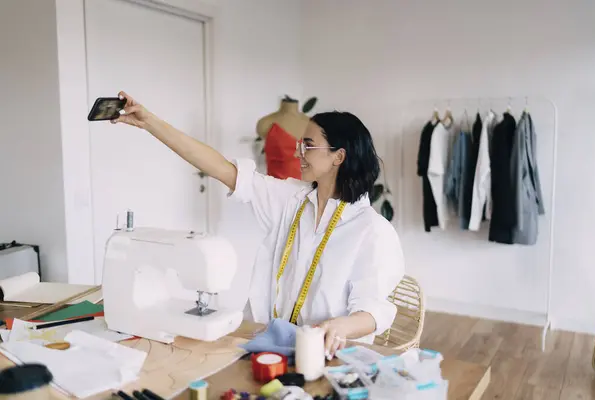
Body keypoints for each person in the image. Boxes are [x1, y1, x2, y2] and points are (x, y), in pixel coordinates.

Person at [111, 91, 405, 358]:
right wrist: (149, 123)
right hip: (266, 343)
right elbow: (219, 167)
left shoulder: (373, 230)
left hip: (327, 356)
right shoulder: (291, 200)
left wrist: (339, 326)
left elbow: (374, 309)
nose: (297, 153)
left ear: (339, 156)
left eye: (308, 146)